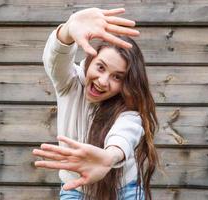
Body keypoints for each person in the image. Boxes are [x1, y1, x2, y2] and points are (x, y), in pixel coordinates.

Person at [32, 7, 159, 200]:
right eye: (101, 67)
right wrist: (67, 30)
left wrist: (109, 157)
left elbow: (125, 134)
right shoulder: (70, 84)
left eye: (117, 77)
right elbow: (55, 60)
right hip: (75, 189)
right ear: (90, 61)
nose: (102, 81)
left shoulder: (128, 108)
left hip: (125, 189)